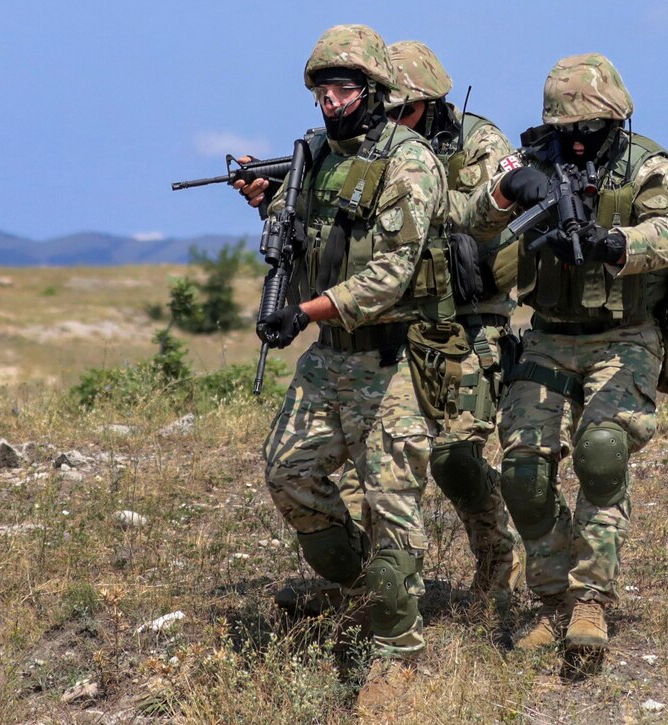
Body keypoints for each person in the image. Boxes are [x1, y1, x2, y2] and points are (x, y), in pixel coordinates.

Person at [235, 24, 449, 705]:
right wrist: (268, 205)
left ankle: (397, 650)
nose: (330, 102)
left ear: (375, 90)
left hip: (393, 360)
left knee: (393, 507)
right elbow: (316, 241)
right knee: (289, 473)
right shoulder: (319, 158)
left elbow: (390, 273)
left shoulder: (409, 161)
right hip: (332, 358)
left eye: (343, 89)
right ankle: (364, 590)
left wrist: (308, 311)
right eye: (321, 90)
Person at [461, 53, 668, 655]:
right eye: (566, 133)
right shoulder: (533, 159)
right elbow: (467, 217)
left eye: (589, 132)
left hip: (626, 334)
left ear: (615, 121)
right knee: (524, 472)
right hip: (548, 334)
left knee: (602, 451)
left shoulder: (649, 164)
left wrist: (614, 242)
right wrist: (509, 188)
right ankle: (550, 598)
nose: (578, 144)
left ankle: (591, 601)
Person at [333, 39, 523, 608]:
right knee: (369, 461)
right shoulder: (368, 146)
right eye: (387, 112)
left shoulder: (481, 143)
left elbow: (497, 214)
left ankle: (497, 557)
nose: (396, 123)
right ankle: (374, 586)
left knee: (456, 456)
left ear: (435, 103)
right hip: (399, 318)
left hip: (470, 318)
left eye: (407, 112)